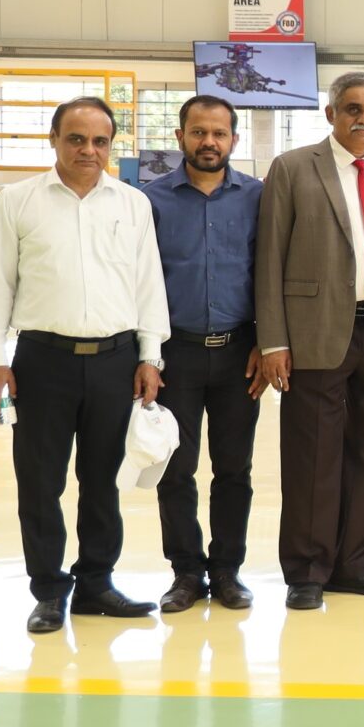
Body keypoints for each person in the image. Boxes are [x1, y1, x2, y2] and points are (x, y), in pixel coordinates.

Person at [0, 97, 170, 634]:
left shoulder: (131, 204)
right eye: (76, 139)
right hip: (41, 362)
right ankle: (48, 590)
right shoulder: (18, 202)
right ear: (54, 140)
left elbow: (148, 284)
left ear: (112, 145)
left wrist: (150, 356)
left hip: (115, 361)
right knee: (39, 482)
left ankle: (96, 584)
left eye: (100, 141)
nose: (89, 150)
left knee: (102, 480)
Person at [254, 72, 364, 612]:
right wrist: (273, 341)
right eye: (352, 108)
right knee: (312, 455)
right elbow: (269, 261)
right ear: (330, 114)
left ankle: (355, 564)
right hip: (316, 330)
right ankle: (307, 571)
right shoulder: (292, 169)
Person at [141, 95, 263, 614]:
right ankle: (187, 572)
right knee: (176, 469)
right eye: (198, 132)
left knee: (234, 469)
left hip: (241, 354)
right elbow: (140, 282)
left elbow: (270, 273)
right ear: (180, 137)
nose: (208, 142)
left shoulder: (259, 197)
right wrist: (145, 355)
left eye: (218, 133)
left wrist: (268, 339)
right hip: (177, 355)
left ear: (234, 140)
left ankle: (229, 570)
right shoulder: (150, 200)